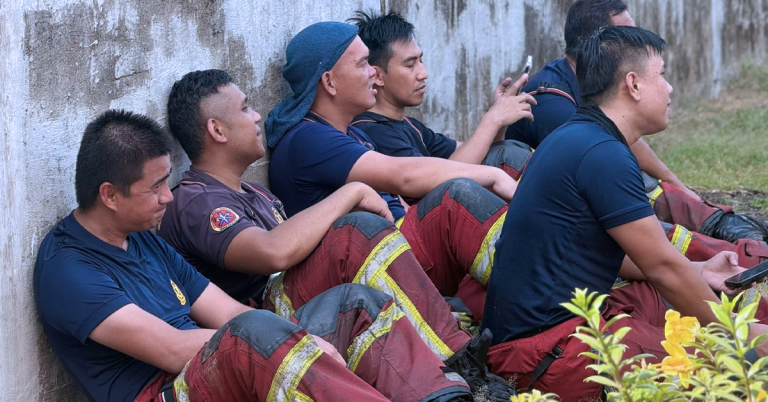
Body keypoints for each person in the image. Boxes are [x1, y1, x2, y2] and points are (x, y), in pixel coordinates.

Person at [34, 110, 478, 402]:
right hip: (168, 391)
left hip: (214, 363)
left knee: (356, 305)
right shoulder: (67, 269)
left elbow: (224, 310)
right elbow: (172, 351)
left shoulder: (142, 234)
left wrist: (294, 336)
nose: (167, 197)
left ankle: (452, 392)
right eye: (155, 188)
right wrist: (291, 340)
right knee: (255, 334)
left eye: (167, 182)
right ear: (109, 195)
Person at [159, 69, 515, 400]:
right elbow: (273, 253)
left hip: (298, 309)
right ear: (217, 130)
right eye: (246, 108)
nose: (257, 117)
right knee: (354, 234)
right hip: (261, 331)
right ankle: (468, 370)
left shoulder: (258, 194)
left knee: (367, 272)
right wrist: (352, 192)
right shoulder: (193, 200)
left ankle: (468, 366)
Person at [482, 26, 768, 401]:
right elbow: (662, 268)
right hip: (544, 355)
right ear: (633, 84)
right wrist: (738, 343)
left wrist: (700, 270)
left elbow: (599, 251)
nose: (669, 89)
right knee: (736, 363)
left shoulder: (580, 138)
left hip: (535, 341)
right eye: (662, 75)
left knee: (676, 309)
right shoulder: (601, 153)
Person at [265, 22, 517, 323]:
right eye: (362, 65)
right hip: (367, 276)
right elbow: (405, 176)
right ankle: (546, 281)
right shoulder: (307, 139)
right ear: (330, 82)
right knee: (454, 201)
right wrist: (493, 176)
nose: (373, 72)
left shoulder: (352, 136)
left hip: (397, 256)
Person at [505, 0, 768, 246]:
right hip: (567, 222)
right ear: (602, 42)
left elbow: (623, 137)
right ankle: (727, 239)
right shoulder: (552, 102)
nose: (639, 41)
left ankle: (734, 228)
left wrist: (678, 185)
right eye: (629, 35)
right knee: (639, 186)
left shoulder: (586, 83)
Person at [348, 11, 536, 181]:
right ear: (378, 76)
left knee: (508, 150)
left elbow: (479, 154)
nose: (423, 73)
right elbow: (448, 183)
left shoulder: (411, 126)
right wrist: (492, 119)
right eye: (410, 65)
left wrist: (500, 120)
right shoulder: (372, 132)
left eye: (421, 61)